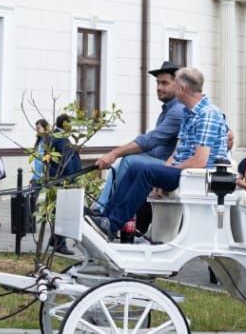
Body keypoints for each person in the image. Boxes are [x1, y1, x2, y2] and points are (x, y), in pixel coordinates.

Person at [90, 67, 228, 240]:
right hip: (185, 172)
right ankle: (106, 218)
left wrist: (167, 172)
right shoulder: (187, 112)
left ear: (182, 89)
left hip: (201, 177)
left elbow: (200, 160)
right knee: (135, 167)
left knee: (146, 171)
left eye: (174, 85)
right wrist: (163, 174)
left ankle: (113, 223)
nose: (171, 89)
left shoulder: (207, 114)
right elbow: (177, 153)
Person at [92, 61, 185, 216]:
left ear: (178, 85)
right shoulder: (169, 109)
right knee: (122, 162)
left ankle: (112, 214)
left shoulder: (178, 111)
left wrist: (114, 153)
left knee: (129, 161)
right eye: (157, 83)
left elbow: (150, 141)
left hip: (172, 170)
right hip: (160, 163)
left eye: (164, 83)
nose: (159, 88)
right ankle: (101, 208)